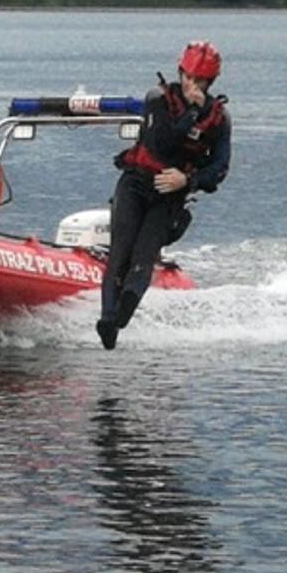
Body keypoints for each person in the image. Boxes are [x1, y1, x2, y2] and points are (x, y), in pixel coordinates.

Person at [96, 41, 232, 349]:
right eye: (188, 77)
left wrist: (188, 180)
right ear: (180, 72)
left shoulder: (220, 120)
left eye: (200, 82)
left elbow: (220, 167)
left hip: (170, 194)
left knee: (143, 256)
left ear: (210, 83)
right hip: (136, 182)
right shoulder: (158, 99)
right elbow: (162, 141)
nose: (192, 85)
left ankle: (121, 317)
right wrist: (192, 113)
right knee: (121, 250)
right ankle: (107, 319)